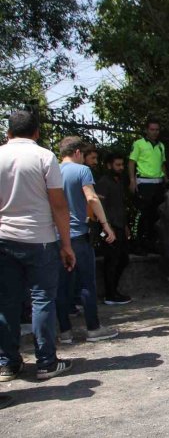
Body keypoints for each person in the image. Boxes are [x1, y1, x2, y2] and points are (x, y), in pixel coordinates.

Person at [0, 110, 75, 381]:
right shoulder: (45, 157)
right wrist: (66, 245)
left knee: (6, 301)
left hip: (4, 239)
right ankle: (46, 362)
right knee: (42, 299)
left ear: (8, 133)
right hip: (40, 239)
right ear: (37, 132)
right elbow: (58, 204)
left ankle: (7, 364)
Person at [56, 136, 119, 343]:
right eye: (83, 155)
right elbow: (91, 197)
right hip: (78, 235)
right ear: (76, 153)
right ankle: (93, 328)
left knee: (61, 285)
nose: (84, 159)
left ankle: (64, 332)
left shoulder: (52, 171)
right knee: (86, 283)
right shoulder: (82, 171)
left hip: (56, 236)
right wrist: (105, 224)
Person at [96, 152, 132, 305]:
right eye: (117, 165)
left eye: (122, 165)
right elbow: (100, 205)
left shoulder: (119, 182)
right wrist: (106, 226)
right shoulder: (104, 182)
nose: (121, 168)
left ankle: (113, 291)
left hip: (119, 225)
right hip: (109, 227)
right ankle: (110, 294)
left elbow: (120, 206)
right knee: (112, 260)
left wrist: (125, 226)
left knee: (122, 259)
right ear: (109, 165)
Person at [129, 118, 166, 253]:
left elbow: (162, 164)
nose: (155, 132)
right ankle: (137, 244)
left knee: (155, 215)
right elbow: (132, 162)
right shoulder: (139, 144)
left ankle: (150, 243)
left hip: (158, 183)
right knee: (142, 214)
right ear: (146, 130)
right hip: (144, 183)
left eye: (157, 130)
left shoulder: (161, 146)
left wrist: (166, 181)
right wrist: (132, 180)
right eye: (152, 129)